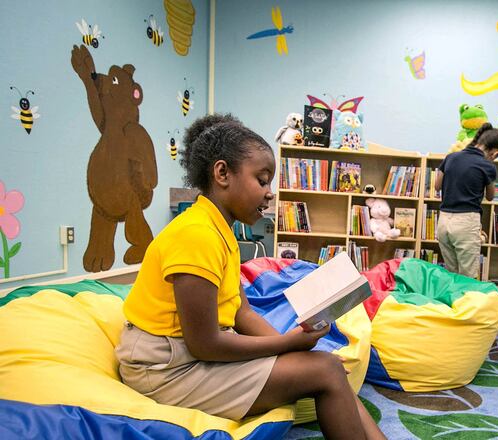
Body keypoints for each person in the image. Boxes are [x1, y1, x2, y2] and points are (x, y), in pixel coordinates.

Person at [115, 114, 384, 440]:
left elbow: (241, 311)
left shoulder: (220, 232)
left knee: (322, 364)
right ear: (222, 173)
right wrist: (288, 343)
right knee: (325, 370)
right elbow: (204, 344)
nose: (270, 193)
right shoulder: (196, 234)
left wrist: (295, 351)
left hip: (187, 355)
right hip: (165, 368)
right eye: (262, 179)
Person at [434, 123, 498, 278]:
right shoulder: (487, 165)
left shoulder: (451, 157)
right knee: (467, 278)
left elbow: (437, 186)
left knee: (451, 274)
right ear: (496, 153)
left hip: (444, 221)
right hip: (466, 222)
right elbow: (490, 196)